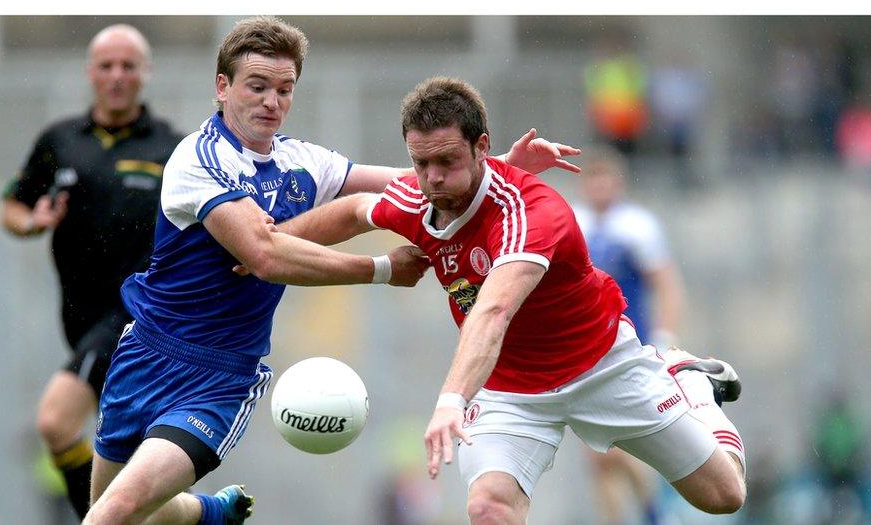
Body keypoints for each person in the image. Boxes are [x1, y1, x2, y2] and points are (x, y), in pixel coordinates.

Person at [83, 16, 580, 525]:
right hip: (144, 354)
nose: (271, 101)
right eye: (257, 86)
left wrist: (497, 165)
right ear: (222, 87)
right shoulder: (198, 158)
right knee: (116, 510)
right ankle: (207, 514)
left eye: (284, 89)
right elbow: (265, 256)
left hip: (219, 377)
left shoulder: (303, 162)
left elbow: (413, 181)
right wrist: (382, 268)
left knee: (114, 513)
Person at [272, 77, 748, 524]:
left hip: (600, 365)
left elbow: (494, 311)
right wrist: (268, 243)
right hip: (508, 388)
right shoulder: (419, 197)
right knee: (487, 507)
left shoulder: (532, 211)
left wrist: (451, 402)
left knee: (724, 496)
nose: (432, 179)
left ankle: (691, 383)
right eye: (421, 164)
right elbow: (355, 210)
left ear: (482, 147)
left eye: (447, 162)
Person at [0, 24, 182, 520]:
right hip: (78, 320)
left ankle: (96, 520)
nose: (117, 76)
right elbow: (12, 207)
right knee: (125, 471)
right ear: (91, 73)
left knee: (56, 423)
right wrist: (31, 221)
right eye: (107, 66)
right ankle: (197, 513)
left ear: (145, 73)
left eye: (128, 66)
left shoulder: (173, 150)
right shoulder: (59, 141)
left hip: (135, 316)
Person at [572, 146, 687, 524]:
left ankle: (654, 514)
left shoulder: (636, 226)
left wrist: (664, 337)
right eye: (594, 179)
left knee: (622, 449)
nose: (600, 188)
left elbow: (666, 284)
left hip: (628, 347)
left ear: (618, 184)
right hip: (584, 351)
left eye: (606, 179)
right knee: (599, 456)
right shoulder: (576, 223)